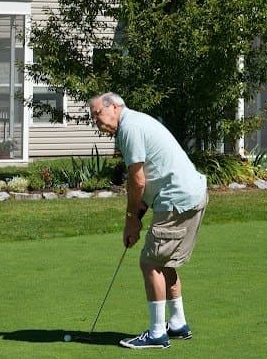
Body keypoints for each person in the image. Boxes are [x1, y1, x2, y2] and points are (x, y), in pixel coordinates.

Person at [89, 92, 208, 350]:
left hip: (177, 199)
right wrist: (137, 216)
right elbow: (148, 181)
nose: (96, 122)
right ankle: (177, 323)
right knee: (164, 262)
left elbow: (138, 180)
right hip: (190, 194)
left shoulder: (130, 128)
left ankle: (157, 334)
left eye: (97, 114)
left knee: (150, 262)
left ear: (114, 107)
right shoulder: (134, 124)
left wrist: (131, 219)